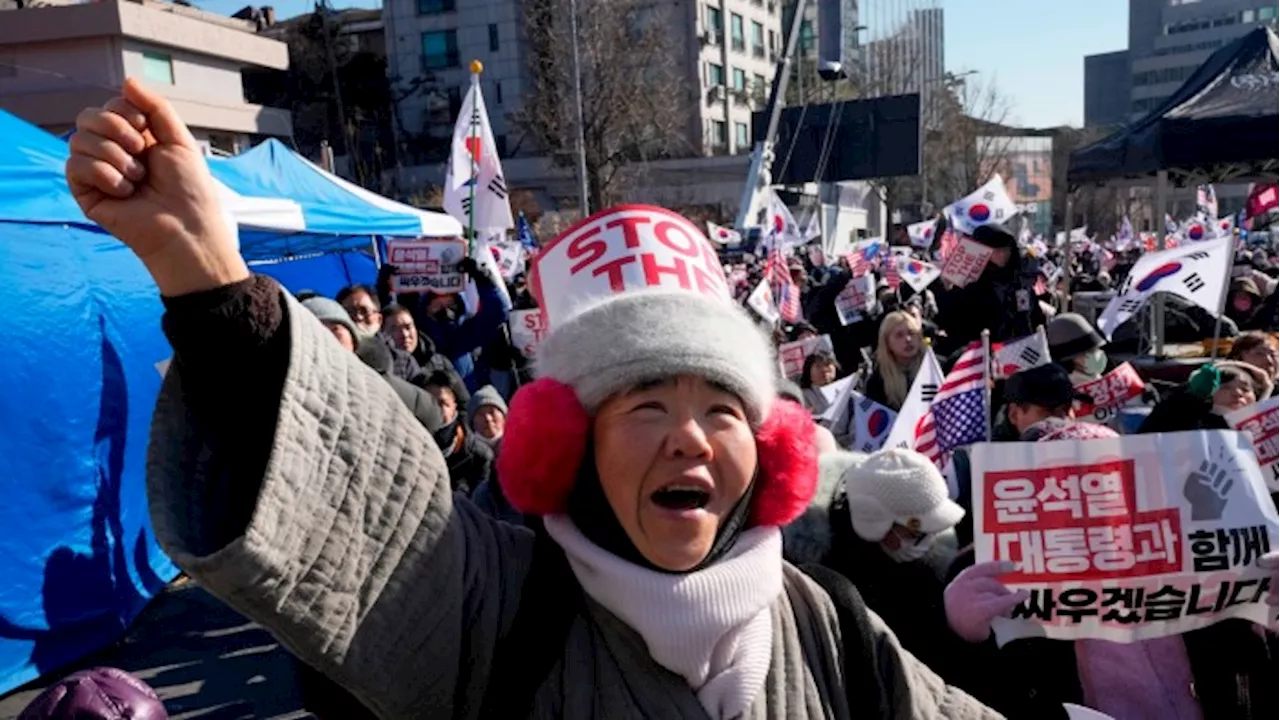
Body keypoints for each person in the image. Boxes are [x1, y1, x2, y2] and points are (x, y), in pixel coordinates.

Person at [68, 79, 995, 719]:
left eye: (721, 410)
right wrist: (209, 277)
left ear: (772, 448)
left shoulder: (825, 621)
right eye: (643, 407)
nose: (690, 440)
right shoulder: (497, 607)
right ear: (570, 443)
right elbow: (357, 508)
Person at [934, 224, 1046, 358]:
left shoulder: (1019, 281)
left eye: (1007, 249)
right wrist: (947, 290)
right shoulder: (967, 284)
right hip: (980, 356)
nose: (1004, 254)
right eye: (997, 251)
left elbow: (1034, 317)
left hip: (1020, 352)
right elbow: (951, 322)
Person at [1139, 360, 1271, 433]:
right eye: (1225, 387)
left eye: (1245, 389)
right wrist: (1190, 394)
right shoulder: (1187, 420)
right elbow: (1152, 432)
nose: (1237, 393)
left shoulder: (1269, 427)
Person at [381, 302, 470, 403]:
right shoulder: (383, 367)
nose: (405, 334)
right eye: (394, 329)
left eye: (408, 327)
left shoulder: (439, 363)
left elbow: (464, 403)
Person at [423, 371, 493, 494]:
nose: (435, 409)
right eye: (429, 402)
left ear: (454, 406)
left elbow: (479, 506)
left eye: (442, 403)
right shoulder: (412, 445)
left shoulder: (478, 456)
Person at [864, 311, 925, 412]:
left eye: (911, 333)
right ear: (887, 342)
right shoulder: (877, 381)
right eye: (899, 335)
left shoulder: (938, 367)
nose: (908, 339)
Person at [1045, 313, 1108, 386]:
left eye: (1097, 349)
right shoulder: (1069, 391)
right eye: (1089, 352)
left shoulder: (1101, 380)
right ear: (1069, 359)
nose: (1097, 354)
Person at [1229, 331, 1280, 397]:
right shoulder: (1229, 392)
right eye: (1259, 354)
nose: (1269, 361)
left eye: (1273, 355)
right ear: (1238, 357)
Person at [467, 384, 507, 451]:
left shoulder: (521, 440)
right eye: (480, 414)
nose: (488, 419)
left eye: (492, 412)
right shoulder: (469, 451)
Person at [798, 350, 839, 414]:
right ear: (808, 371)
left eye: (827, 364)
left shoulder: (845, 390)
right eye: (818, 366)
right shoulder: (802, 397)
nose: (824, 369)